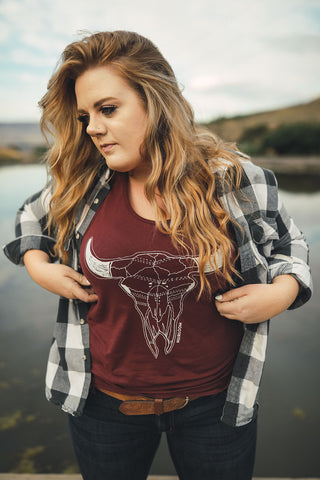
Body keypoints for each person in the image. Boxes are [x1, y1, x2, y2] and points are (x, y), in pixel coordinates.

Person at [3, 30, 312, 480]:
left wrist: (283, 290)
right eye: (85, 115)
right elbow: (30, 214)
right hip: (101, 406)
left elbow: (289, 243)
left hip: (218, 406)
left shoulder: (234, 180)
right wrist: (38, 265)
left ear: (156, 99)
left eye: (108, 109)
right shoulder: (83, 183)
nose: (91, 127)